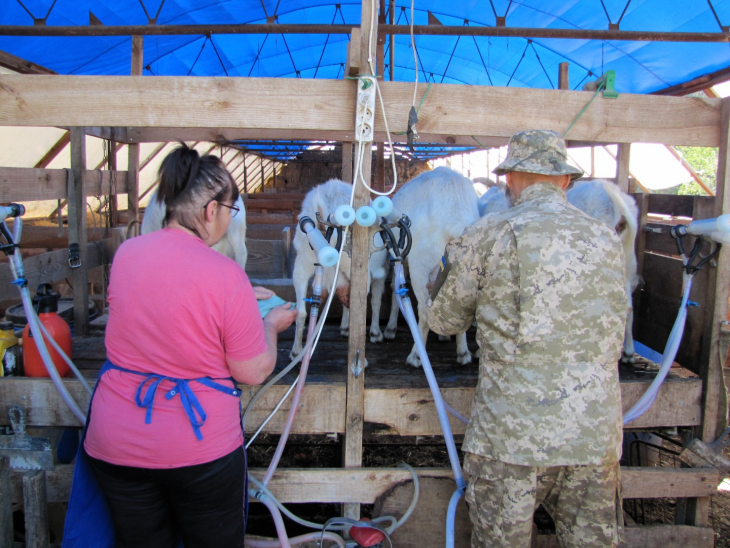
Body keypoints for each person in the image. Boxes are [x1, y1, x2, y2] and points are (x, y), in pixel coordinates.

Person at [63, 144, 297, 548]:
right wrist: (271, 325)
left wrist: (239, 297)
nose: (229, 218)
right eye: (230, 209)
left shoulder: (127, 255)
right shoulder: (226, 274)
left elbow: (168, 302)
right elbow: (253, 370)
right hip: (197, 445)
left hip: (116, 441)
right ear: (211, 211)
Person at [426, 130, 627, 548]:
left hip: (511, 441)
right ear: (565, 180)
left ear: (511, 178)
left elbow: (444, 322)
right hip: (593, 438)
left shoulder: (488, 233)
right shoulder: (607, 239)